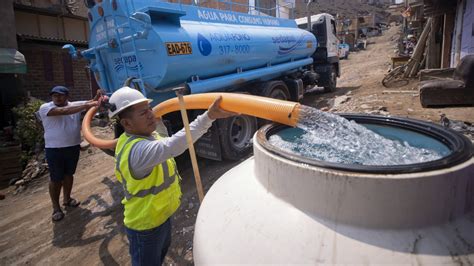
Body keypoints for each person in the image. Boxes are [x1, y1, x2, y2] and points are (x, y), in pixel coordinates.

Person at [108, 86, 236, 266]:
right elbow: (173, 146)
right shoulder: (137, 151)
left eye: (150, 109)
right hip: (146, 225)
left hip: (160, 217)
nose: (151, 115)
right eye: (144, 113)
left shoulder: (145, 136)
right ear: (127, 124)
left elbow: (162, 136)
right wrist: (209, 116)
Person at [38, 86, 99, 222]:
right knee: (55, 179)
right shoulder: (45, 107)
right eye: (54, 96)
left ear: (66, 96)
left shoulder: (74, 105)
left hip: (72, 147)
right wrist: (88, 104)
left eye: (60, 95)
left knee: (68, 174)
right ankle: (56, 208)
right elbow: (64, 111)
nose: (57, 98)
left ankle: (67, 199)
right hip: (54, 149)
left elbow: (91, 101)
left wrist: (97, 96)